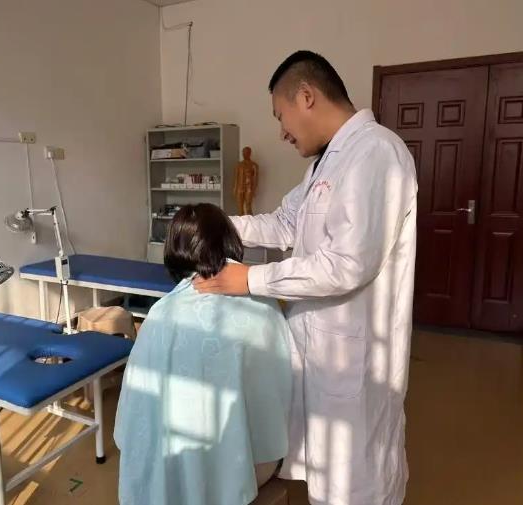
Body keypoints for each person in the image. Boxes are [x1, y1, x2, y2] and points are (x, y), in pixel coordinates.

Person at [193, 51, 418, 505]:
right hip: (321, 358)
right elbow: (283, 224)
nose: (282, 131)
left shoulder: (377, 153)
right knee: (326, 481)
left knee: (358, 485)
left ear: (307, 96)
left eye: (281, 115)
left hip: (357, 366)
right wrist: (216, 223)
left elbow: (347, 264)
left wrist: (249, 280)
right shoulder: (323, 165)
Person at [114, 203, 292, 505]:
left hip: (165, 470)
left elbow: (133, 414)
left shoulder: (159, 314)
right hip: (241, 472)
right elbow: (281, 400)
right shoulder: (262, 308)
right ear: (229, 240)